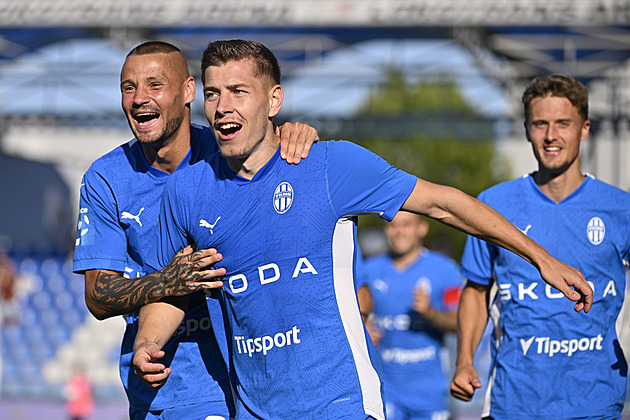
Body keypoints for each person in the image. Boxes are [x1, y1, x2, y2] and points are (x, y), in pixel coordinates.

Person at [133, 40, 591, 420]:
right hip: (253, 409)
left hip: (344, 404)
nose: (222, 107)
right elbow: (175, 286)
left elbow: (444, 204)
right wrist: (149, 342)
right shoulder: (187, 191)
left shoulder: (330, 165)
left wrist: (542, 258)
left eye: (238, 91)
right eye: (212, 94)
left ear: (274, 100)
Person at [72, 41, 319, 420]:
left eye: (155, 85)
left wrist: (293, 136)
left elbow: (274, 158)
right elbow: (97, 296)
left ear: (189, 91)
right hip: (156, 384)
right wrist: (168, 280)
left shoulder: (229, 148)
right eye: (128, 87)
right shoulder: (106, 178)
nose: (139, 99)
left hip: (235, 384)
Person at [450, 74, 630, 419]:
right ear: (526, 128)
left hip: (594, 403)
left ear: (585, 129)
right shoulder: (491, 206)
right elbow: (475, 289)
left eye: (564, 124)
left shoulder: (620, 209)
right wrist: (464, 361)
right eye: (540, 124)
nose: (551, 136)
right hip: (514, 404)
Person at [361, 211, 462, 420]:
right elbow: (348, 315)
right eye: (392, 225)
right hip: (385, 387)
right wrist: (362, 331)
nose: (398, 231)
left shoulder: (445, 268)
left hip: (430, 390)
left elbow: (460, 324)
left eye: (406, 225)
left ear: (422, 229)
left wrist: (430, 313)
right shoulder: (368, 270)